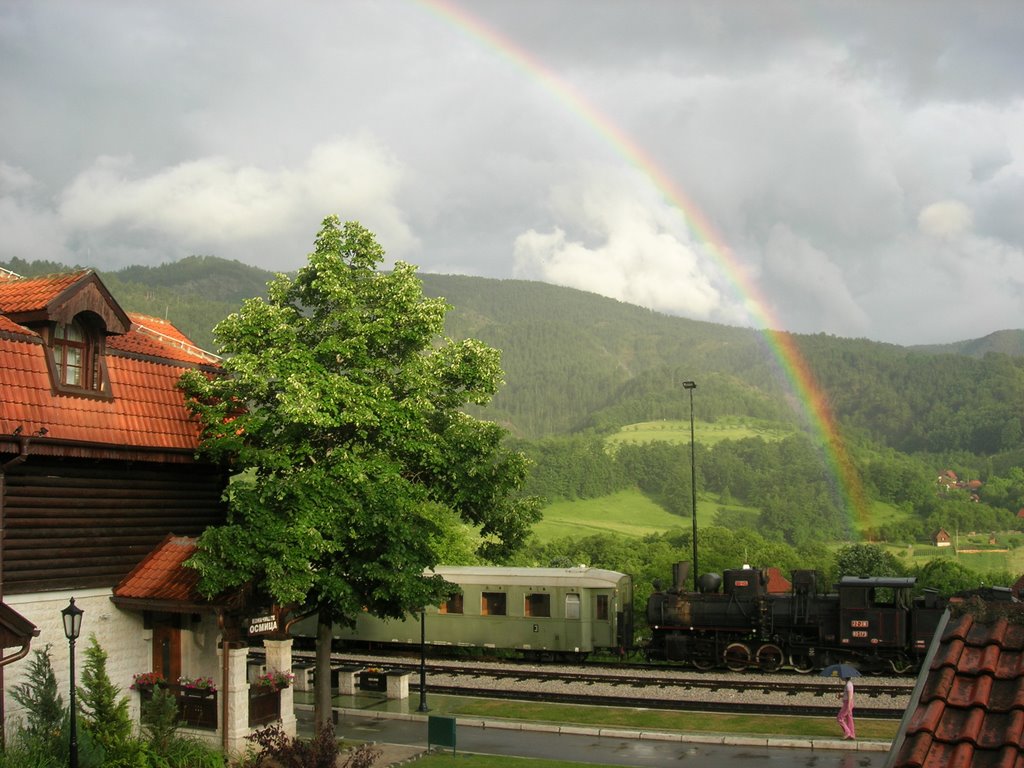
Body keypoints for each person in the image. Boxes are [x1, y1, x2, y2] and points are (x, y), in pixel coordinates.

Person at [837, 675, 856, 740]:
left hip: (847, 703)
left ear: (845, 677)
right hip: (848, 703)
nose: (841, 677)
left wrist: (848, 706)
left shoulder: (848, 685)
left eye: (842, 676)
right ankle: (852, 734)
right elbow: (847, 694)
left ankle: (847, 732)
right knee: (849, 719)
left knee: (840, 718)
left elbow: (850, 696)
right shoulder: (848, 684)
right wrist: (841, 695)